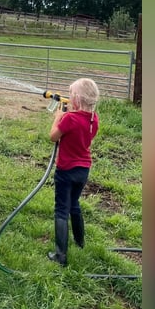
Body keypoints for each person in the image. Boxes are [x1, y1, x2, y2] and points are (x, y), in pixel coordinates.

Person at [47, 78, 100, 266]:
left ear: (76, 99)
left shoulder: (69, 119)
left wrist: (57, 118)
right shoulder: (94, 119)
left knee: (61, 209)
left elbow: (53, 137)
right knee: (74, 204)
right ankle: (79, 241)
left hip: (66, 171)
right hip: (83, 171)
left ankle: (60, 256)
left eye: (71, 95)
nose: (68, 98)